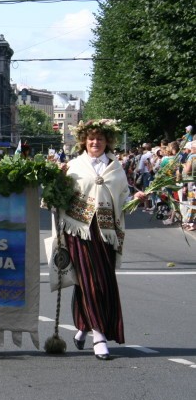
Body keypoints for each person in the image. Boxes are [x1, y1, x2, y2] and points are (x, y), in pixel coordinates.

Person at [60, 119, 146, 360]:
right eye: (90, 139)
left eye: (99, 139)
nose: (95, 142)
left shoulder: (116, 168)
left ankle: (83, 326)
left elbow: (123, 202)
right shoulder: (74, 166)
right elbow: (56, 198)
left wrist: (135, 199)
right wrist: (56, 181)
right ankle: (99, 336)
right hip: (80, 231)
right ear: (84, 142)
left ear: (107, 141)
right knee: (90, 281)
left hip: (106, 232)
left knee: (103, 283)